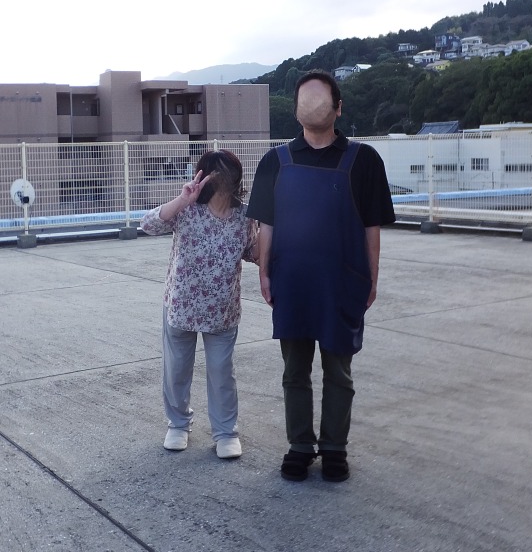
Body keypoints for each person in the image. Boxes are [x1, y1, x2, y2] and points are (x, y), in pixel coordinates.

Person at [246, 70, 395, 482]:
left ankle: (334, 447)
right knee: (294, 370)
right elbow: (266, 225)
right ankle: (299, 445)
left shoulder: (364, 159)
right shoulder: (275, 161)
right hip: (291, 281)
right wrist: (264, 273)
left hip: (343, 280)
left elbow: (371, 227)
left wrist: (372, 278)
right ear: (297, 111)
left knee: (339, 371)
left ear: (338, 108)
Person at [141, 150, 258, 459]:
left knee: (221, 372)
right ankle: (178, 424)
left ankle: (226, 432)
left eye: (227, 174)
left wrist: (272, 230)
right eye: (215, 174)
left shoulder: (245, 216)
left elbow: (254, 253)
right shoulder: (187, 210)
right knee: (176, 371)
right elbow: (148, 224)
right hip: (181, 307)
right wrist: (182, 199)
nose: (222, 181)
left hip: (222, 312)